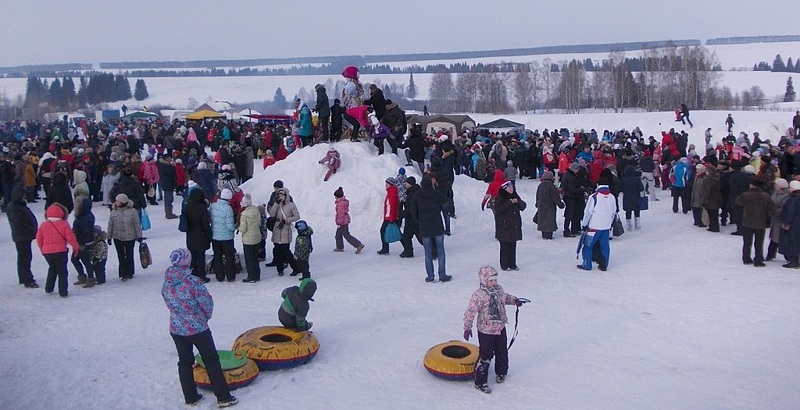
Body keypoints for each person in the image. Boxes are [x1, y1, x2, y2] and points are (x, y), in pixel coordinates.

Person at [161, 248, 238, 408]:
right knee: (211, 360)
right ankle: (223, 397)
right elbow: (207, 303)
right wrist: (204, 317)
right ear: (186, 261)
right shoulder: (193, 282)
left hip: (177, 328)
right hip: (197, 328)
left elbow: (168, 301)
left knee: (184, 361)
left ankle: (190, 397)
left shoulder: (167, 282)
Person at [463, 265, 524, 394]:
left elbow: (505, 297)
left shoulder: (498, 290)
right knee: (486, 355)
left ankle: (501, 372)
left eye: (495, 280)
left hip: (500, 327)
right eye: (491, 280)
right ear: (484, 280)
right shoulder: (479, 295)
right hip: (486, 331)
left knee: (502, 351)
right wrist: (467, 327)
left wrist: (515, 300)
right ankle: (480, 381)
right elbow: (470, 311)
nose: (494, 282)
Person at [409, 176, 451, 283]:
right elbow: (445, 200)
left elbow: (413, 212)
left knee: (428, 253)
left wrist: (420, 219)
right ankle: (442, 275)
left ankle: (430, 276)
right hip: (437, 225)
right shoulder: (436, 194)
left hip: (425, 227)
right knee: (441, 251)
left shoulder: (417, 195)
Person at [37, 204, 80, 297]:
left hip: (47, 251)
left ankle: (49, 288)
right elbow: (71, 238)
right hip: (60, 251)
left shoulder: (43, 225)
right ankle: (63, 291)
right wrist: (76, 248)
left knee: (52, 268)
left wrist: (42, 249)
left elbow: (39, 239)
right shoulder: (64, 224)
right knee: (62, 271)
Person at [577, 177, 617, 271]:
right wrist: (610, 223)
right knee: (605, 246)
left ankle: (587, 264)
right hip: (606, 226)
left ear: (598, 185)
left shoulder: (594, 196)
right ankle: (604, 265)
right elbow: (613, 212)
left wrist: (584, 224)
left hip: (594, 227)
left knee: (588, 245)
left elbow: (588, 212)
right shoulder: (611, 196)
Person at [735, 176, 775, 267]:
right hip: (761, 222)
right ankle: (758, 259)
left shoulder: (746, 195)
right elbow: (772, 208)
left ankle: (746, 258)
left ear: (751, 185)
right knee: (759, 242)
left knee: (747, 241)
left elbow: (738, 201)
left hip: (747, 221)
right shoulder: (766, 196)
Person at [7, 185, 39, 288]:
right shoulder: (14, 207)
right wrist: (30, 228)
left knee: (23, 257)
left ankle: (23, 277)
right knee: (25, 258)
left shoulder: (18, 205)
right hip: (22, 236)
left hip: (24, 236)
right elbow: (18, 222)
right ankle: (27, 280)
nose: (25, 197)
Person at [107, 194, 143, 281]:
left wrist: (139, 236)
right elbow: (110, 225)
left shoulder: (132, 211)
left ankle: (130, 272)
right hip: (117, 237)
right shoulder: (113, 211)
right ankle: (123, 273)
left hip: (130, 237)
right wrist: (109, 237)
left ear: (122, 201)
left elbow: (137, 224)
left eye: (117, 200)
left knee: (129, 254)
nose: (115, 202)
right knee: (121, 255)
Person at [493, 181, 527, 270]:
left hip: (514, 225)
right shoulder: (499, 198)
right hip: (504, 226)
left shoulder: (515, 195)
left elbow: (523, 206)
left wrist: (517, 202)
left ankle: (512, 264)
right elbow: (499, 210)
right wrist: (510, 202)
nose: (511, 189)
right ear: (505, 189)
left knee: (513, 245)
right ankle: (504, 264)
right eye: (509, 188)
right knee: (505, 246)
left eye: (512, 187)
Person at [269, 187, 300, 276]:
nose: (280, 196)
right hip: (277, 228)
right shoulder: (277, 204)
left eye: (282, 195)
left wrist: (287, 220)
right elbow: (271, 214)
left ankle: (295, 268)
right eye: (279, 194)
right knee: (277, 251)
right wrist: (276, 203)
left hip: (285, 228)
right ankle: (280, 269)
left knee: (286, 251)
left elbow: (297, 216)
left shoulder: (291, 205)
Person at [184, 188, 212, 282]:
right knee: (200, 257)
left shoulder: (186, 207)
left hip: (190, 234)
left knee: (193, 257)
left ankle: (193, 274)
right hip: (201, 234)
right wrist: (209, 235)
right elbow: (205, 223)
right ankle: (201, 276)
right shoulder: (202, 208)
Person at [210, 188, 237, 282]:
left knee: (217, 256)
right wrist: (235, 227)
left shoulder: (213, 206)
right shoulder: (228, 209)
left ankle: (219, 276)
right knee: (229, 257)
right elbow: (230, 226)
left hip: (215, 236)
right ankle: (230, 276)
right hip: (227, 237)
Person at [71, 197, 97, 288]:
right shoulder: (85, 215)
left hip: (84, 243)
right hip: (81, 242)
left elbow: (85, 232)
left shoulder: (84, 217)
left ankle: (90, 278)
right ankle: (83, 276)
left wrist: (81, 244)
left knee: (84, 260)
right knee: (76, 259)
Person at [238, 194, 262, 283]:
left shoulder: (244, 215)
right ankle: (257, 274)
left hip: (248, 239)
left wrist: (238, 228)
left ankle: (251, 276)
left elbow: (243, 229)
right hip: (257, 236)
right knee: (255, 257)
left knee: (249, 258)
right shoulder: (256, 210)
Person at [332, 187, 364, 254]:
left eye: (335, 196)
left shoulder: (340, 204)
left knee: (346, 235)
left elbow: (341, 215)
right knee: (338, 235)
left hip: (342, 222)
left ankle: (358, 245)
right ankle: (339, 247)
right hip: (344, 220)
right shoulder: (343, 202)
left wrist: (339, 222)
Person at [535, 171, 564, 240]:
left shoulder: (540, 185)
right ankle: (548, 235)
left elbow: (537, 195)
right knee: (549, 219)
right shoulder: (551, 186)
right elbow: (555, 197)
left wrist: (537, 203)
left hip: (541, 205)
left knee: (543, 219)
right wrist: (560, 204)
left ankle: (544, 234)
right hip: (550, 206)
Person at [779, 181, 800, 268]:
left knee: (791, 241)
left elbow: (790, 212)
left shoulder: (793, 200)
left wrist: (786, 222)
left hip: (793, 224)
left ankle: (794, 261)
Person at [377, 177, 400, 255]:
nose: (385, 185)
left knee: (385, 231)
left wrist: (391, 218)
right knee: (394, 232)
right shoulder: (391, 192)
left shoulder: (392, 194)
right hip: (389, 217)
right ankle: (385, 248)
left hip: (390, 218)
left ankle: (385, 248)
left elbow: (392, 207)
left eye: (387, 184)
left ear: (390, 184)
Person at [620, 165, 644, 230]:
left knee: (628, 211)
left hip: (627, 197)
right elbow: (641, 188)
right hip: (636, 196)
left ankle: (629, 225)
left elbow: (620, 188)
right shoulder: (637, 179)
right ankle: (637, 224)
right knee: (637, 210)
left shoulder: (623, 179)